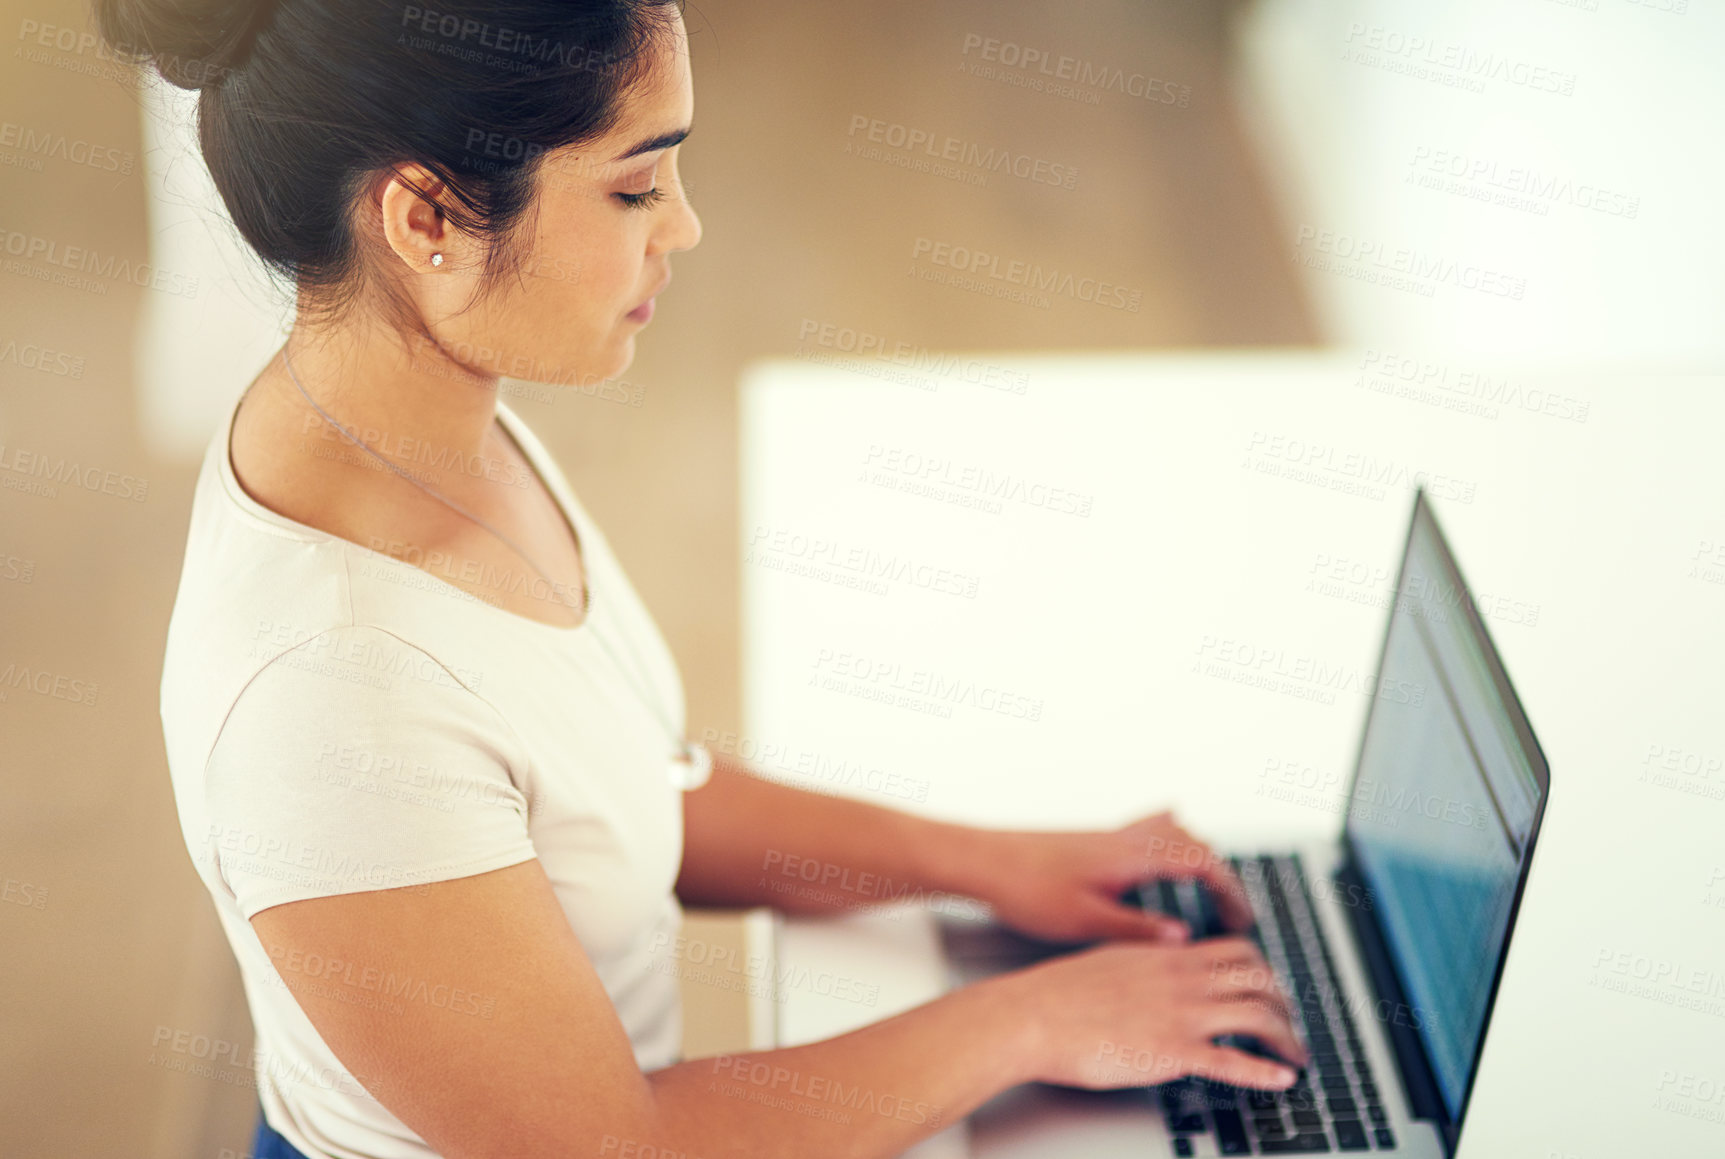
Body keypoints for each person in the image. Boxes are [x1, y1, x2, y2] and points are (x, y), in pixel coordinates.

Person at [103, 0, 1308, 1155]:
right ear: (426, 220)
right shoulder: (328, 698)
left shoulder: (422, 429)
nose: (682, 227)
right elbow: (622, 1148)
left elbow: (619, 785)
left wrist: (993, 862)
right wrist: (1036, 1018)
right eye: (634, 184)